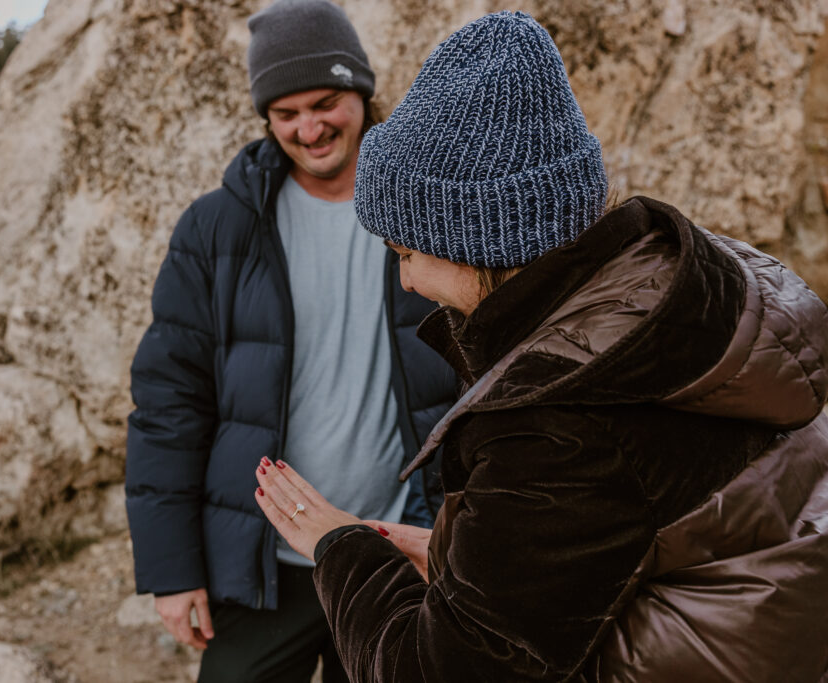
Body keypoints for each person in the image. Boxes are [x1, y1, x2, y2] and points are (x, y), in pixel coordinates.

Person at [255, 11, 828, 682]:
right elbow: (618, 535)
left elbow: (440, 671)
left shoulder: (559, 418)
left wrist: (340, 548)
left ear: (479, 241)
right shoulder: (676, 302)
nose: (406, 278)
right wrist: (457, 553)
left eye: (406, 252)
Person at [124, 1, 456, 681]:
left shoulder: (434, 207)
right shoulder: (217, 228)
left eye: (326, 101)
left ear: (360, 90)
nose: (310, 127)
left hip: (396, 548)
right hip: (265, 558)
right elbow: (169, 401)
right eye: (285, 113)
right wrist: (172, 571)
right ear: (266, 119)